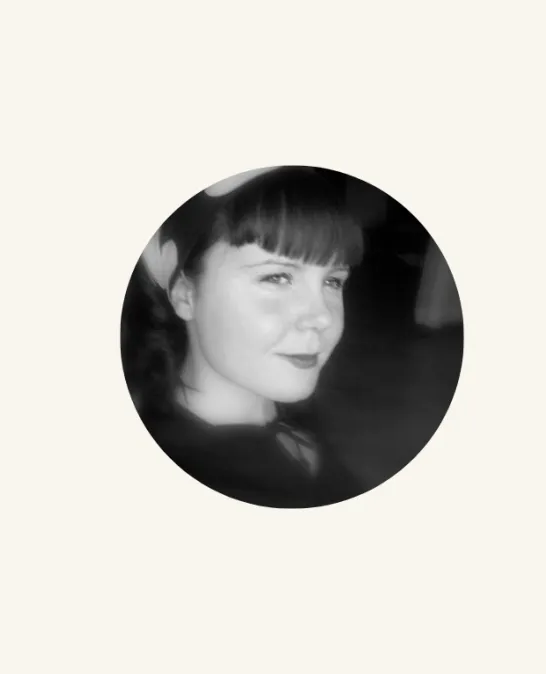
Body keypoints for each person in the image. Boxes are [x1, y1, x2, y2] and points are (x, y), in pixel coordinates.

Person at [121, 166, 369, 508]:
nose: (322, 317)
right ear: (184, 294)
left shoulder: (288, 417)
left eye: (332, 281)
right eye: (276, 277)